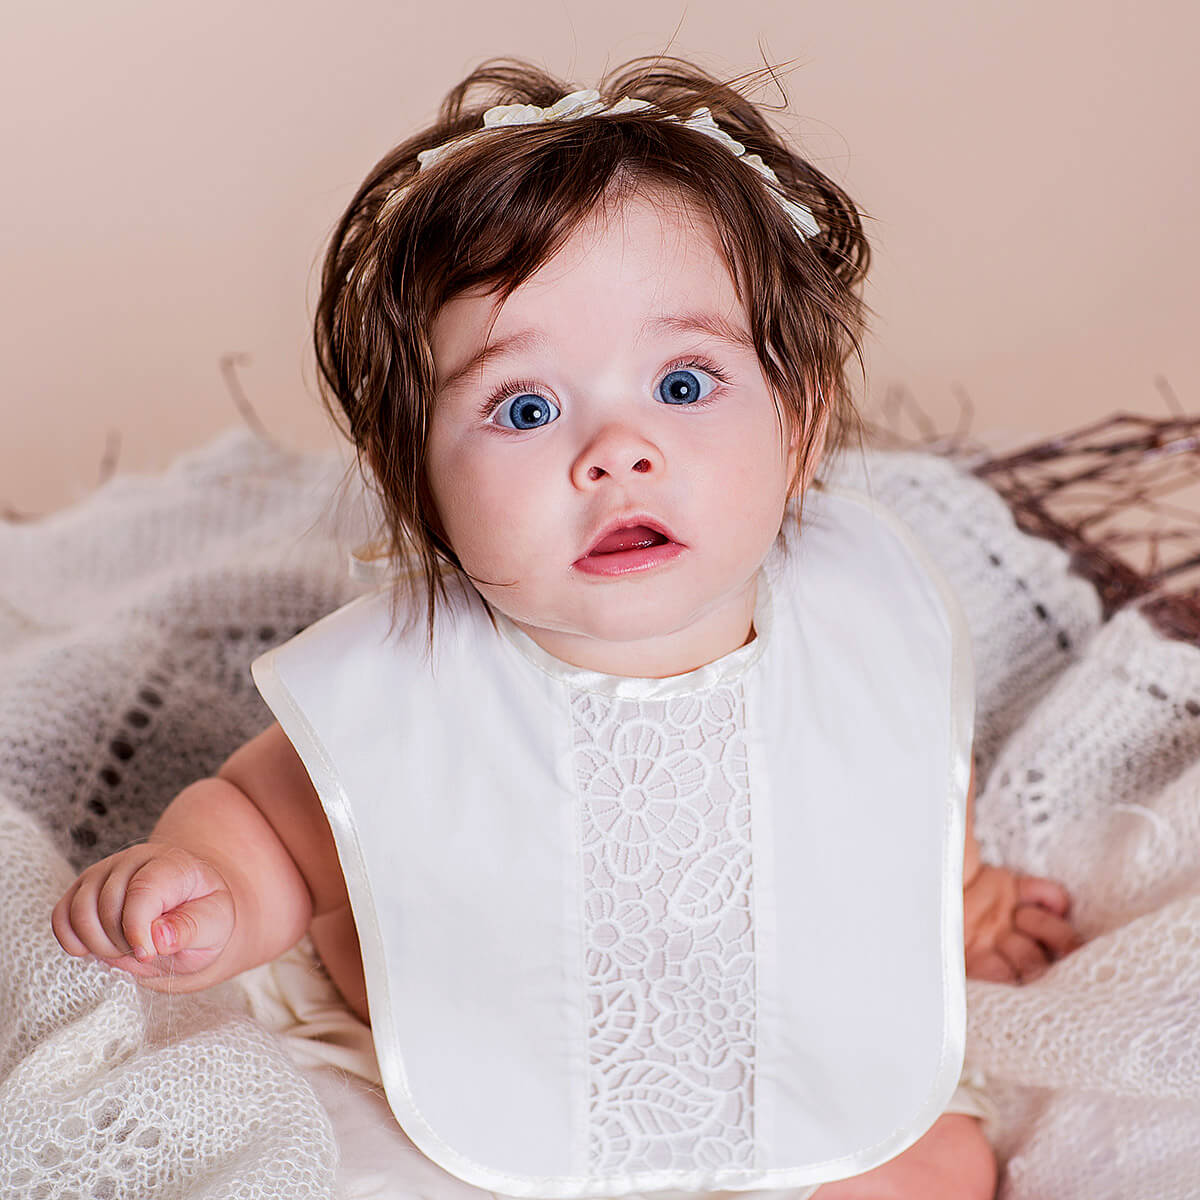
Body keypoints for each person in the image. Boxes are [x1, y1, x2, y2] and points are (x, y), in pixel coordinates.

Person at [52, 56, 1081, 1199]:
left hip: (781, 1057)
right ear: (417, 487)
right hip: (444, 1070)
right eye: (526, 408)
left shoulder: (860, 619)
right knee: (346, 1162)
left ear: (802, 426)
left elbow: (889, 778)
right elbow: (268, 817)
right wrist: (212, 892)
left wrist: (962, 899)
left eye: (684, 385)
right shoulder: (418, 683)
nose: (616, 450)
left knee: (937, 1162)